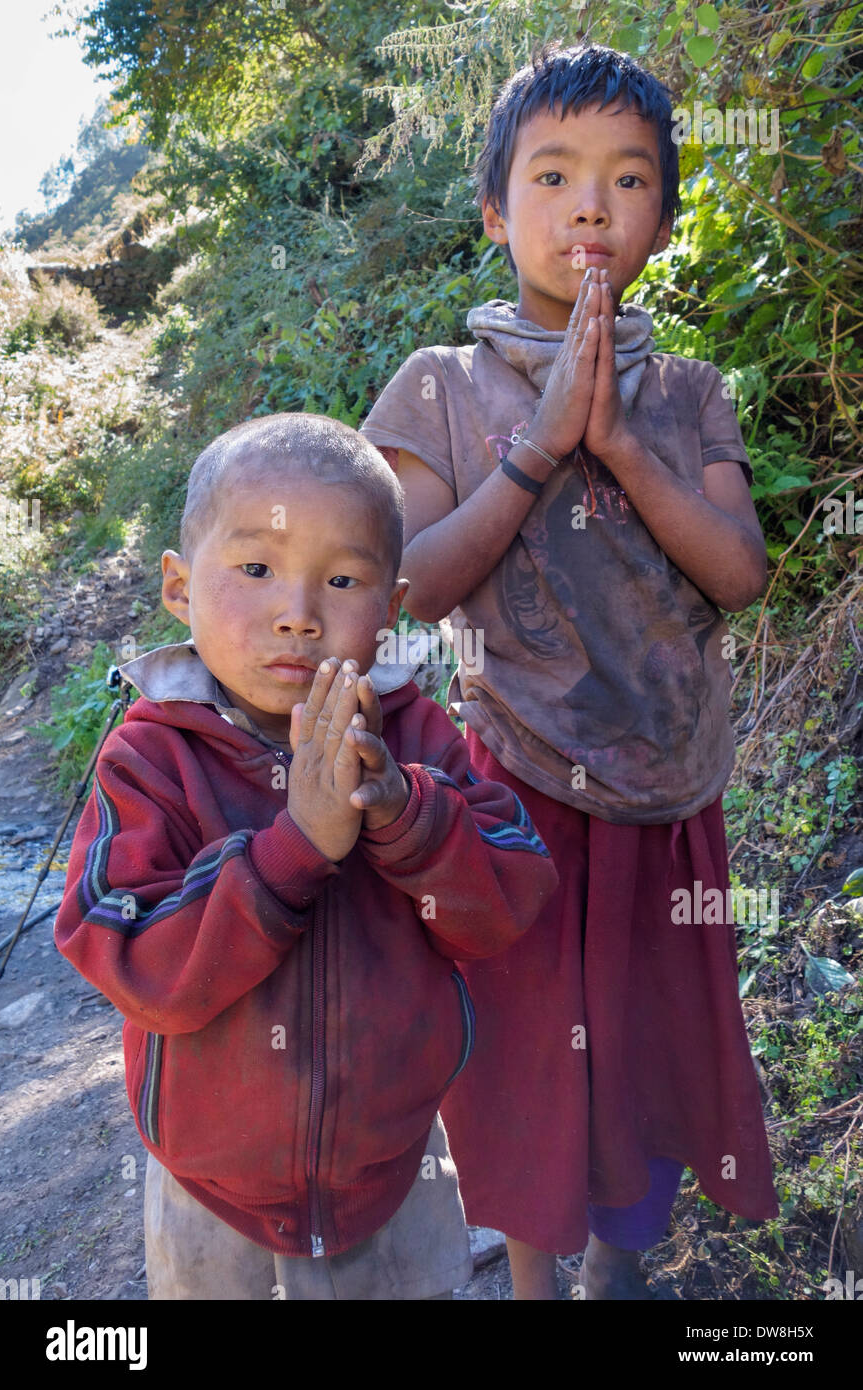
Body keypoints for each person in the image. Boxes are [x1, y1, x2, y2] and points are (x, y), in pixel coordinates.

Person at [360, 42, 779, 1300]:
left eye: (628, 178)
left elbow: (740, 572)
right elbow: (408, 581)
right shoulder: (437, 387)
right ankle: (534, 1280)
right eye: (552, 175)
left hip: (665, 791)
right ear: (496, 211)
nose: (590, 205)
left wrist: (622, 451)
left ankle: (617, 1265)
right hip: (517, 794)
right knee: (531, 1058)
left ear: (661, 211)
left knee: (648, 1048)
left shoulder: (692, 391)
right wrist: (539, 451)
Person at [53, 411, 558, 1301]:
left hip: (394, 1163)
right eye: (254, 569)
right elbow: (121, 951)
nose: (297, 616)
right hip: (210, 1181)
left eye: (341, 579)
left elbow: (507, 900)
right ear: (179, 587)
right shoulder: (151, 756)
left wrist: (401, 813)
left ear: (391, 605)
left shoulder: (411, 734)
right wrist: (293, 851)